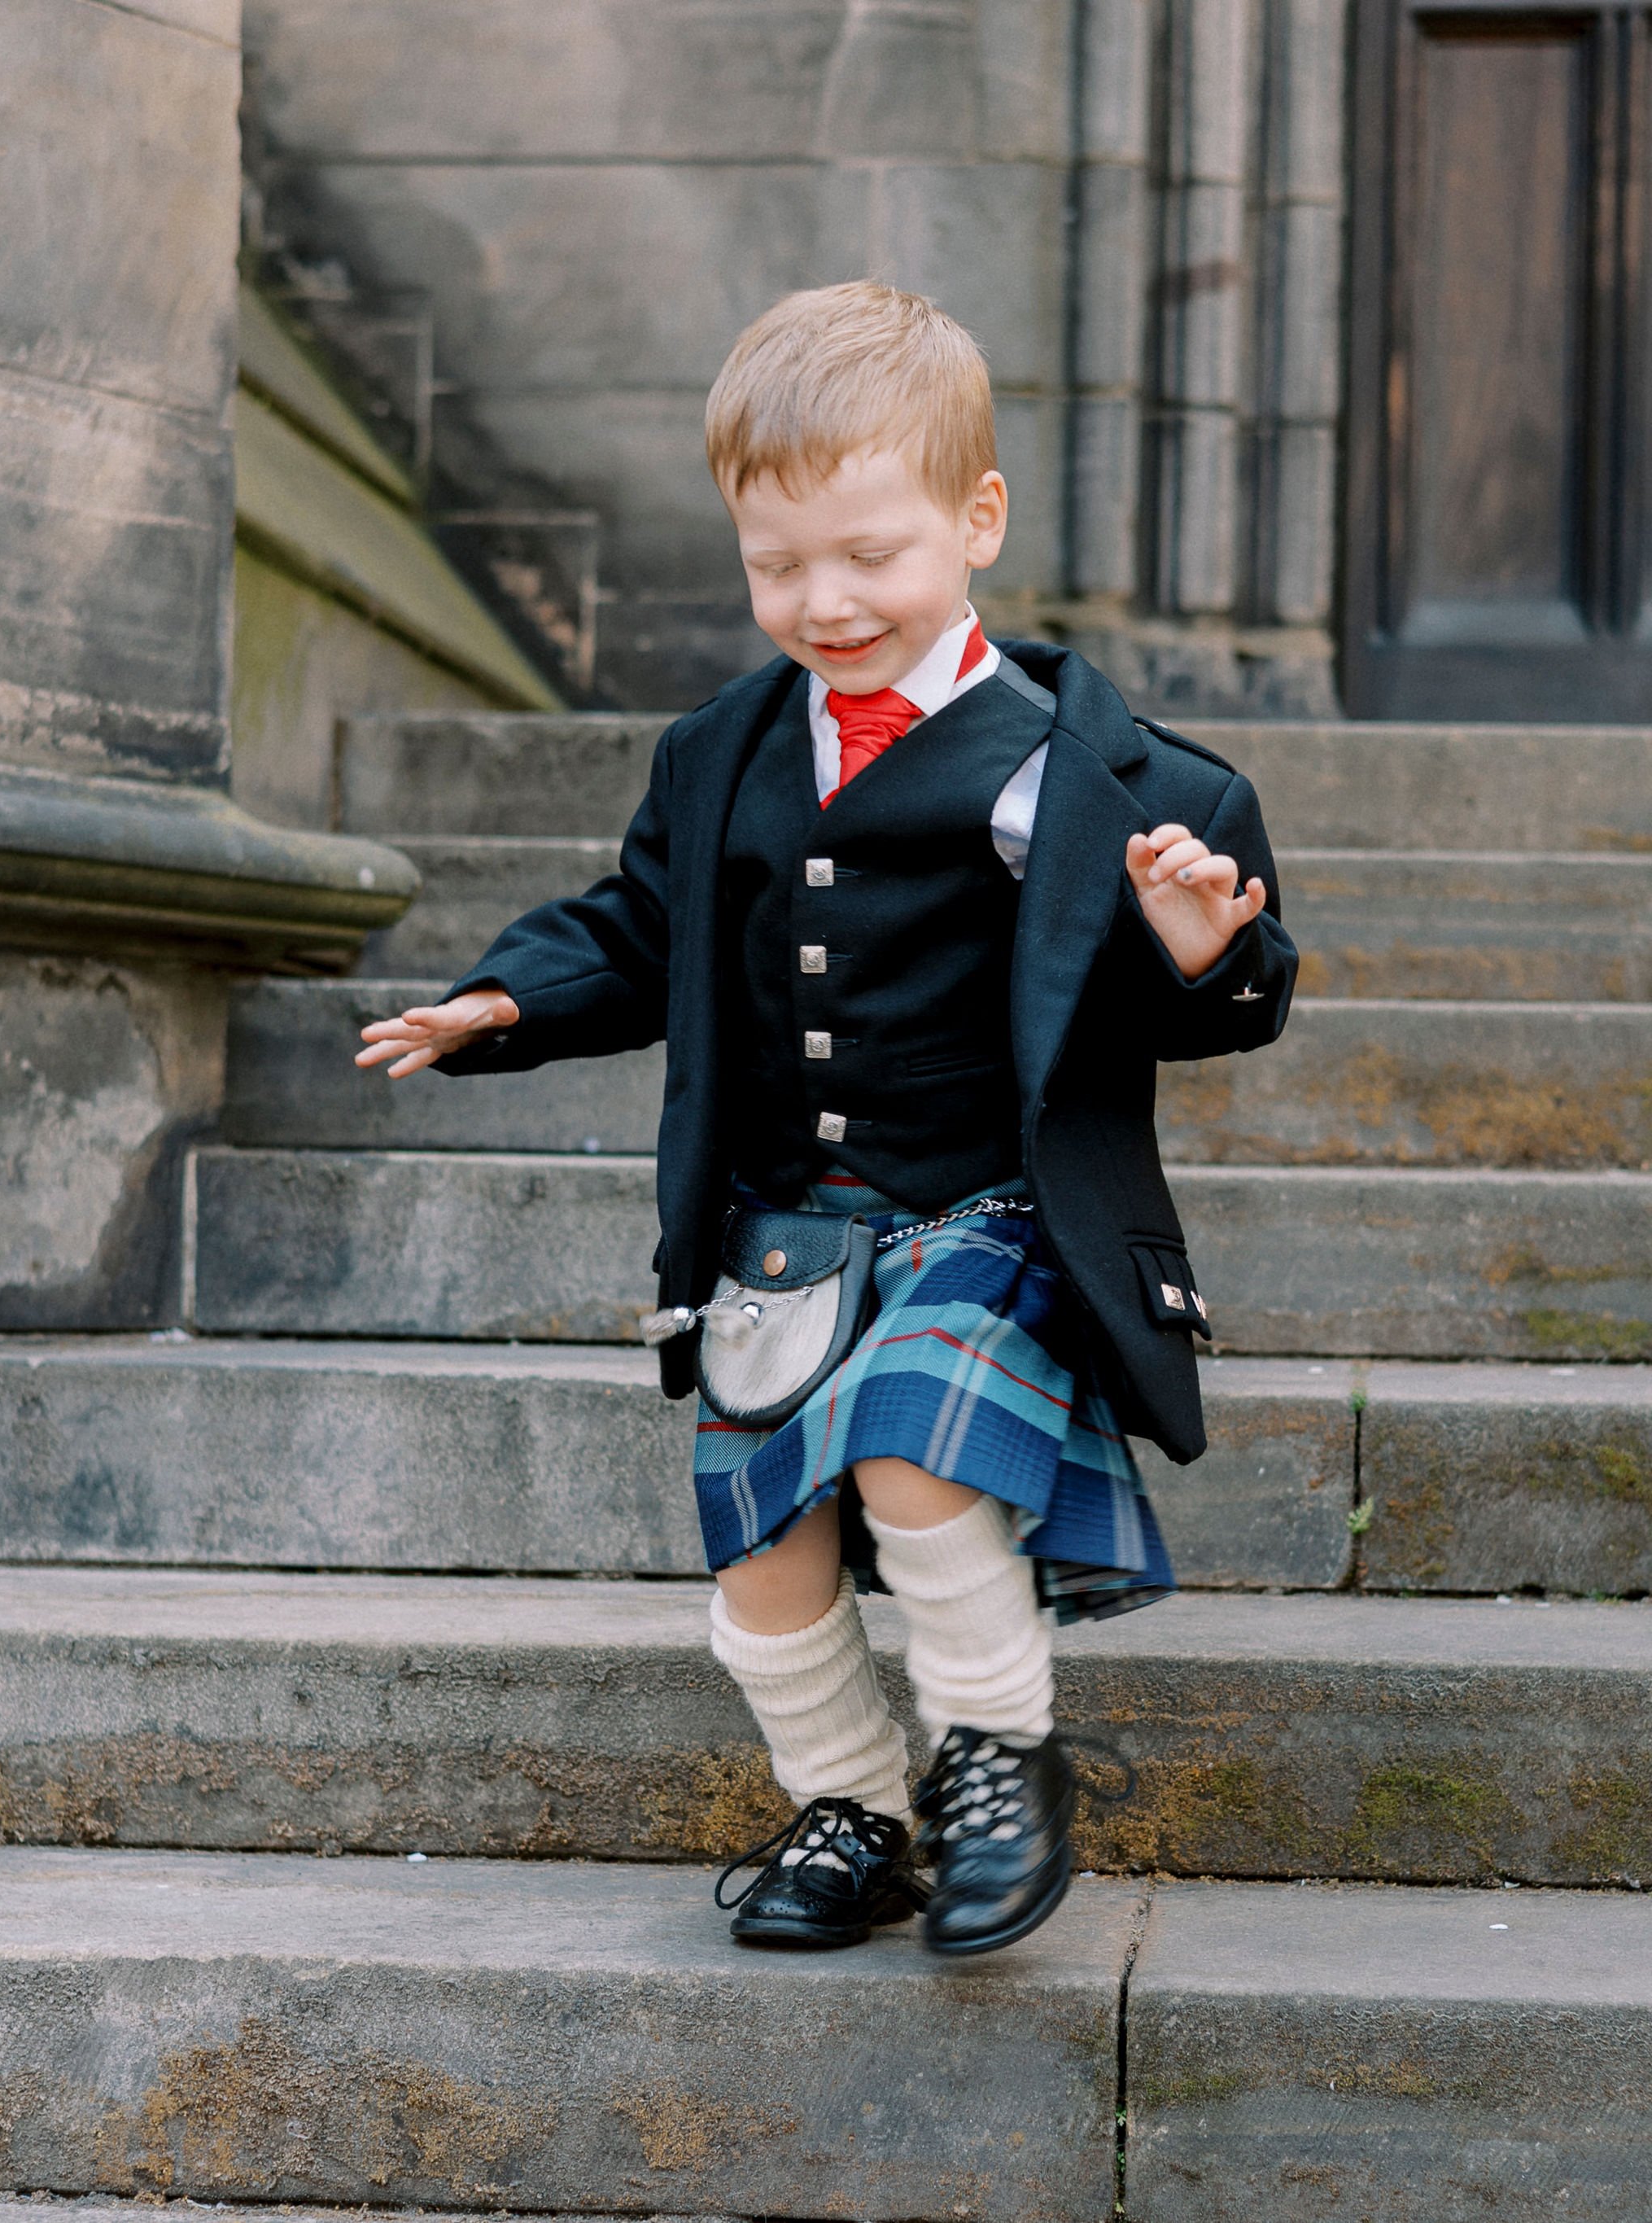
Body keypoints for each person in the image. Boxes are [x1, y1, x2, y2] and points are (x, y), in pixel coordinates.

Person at [356, 282, 1297, 1958]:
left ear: (976, 519)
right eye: (776, 563)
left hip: (989, 1215)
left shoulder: (1110, 782)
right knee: (763, 1554)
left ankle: (998, 1765)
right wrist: (504, 1000)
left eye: (868, 554)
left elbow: (1210, 992)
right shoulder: (719, 751)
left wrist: (1202, 954)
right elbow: (637, 932)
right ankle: (854, 1807)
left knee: (910, 1453)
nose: (824, 600)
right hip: (788, 1231)